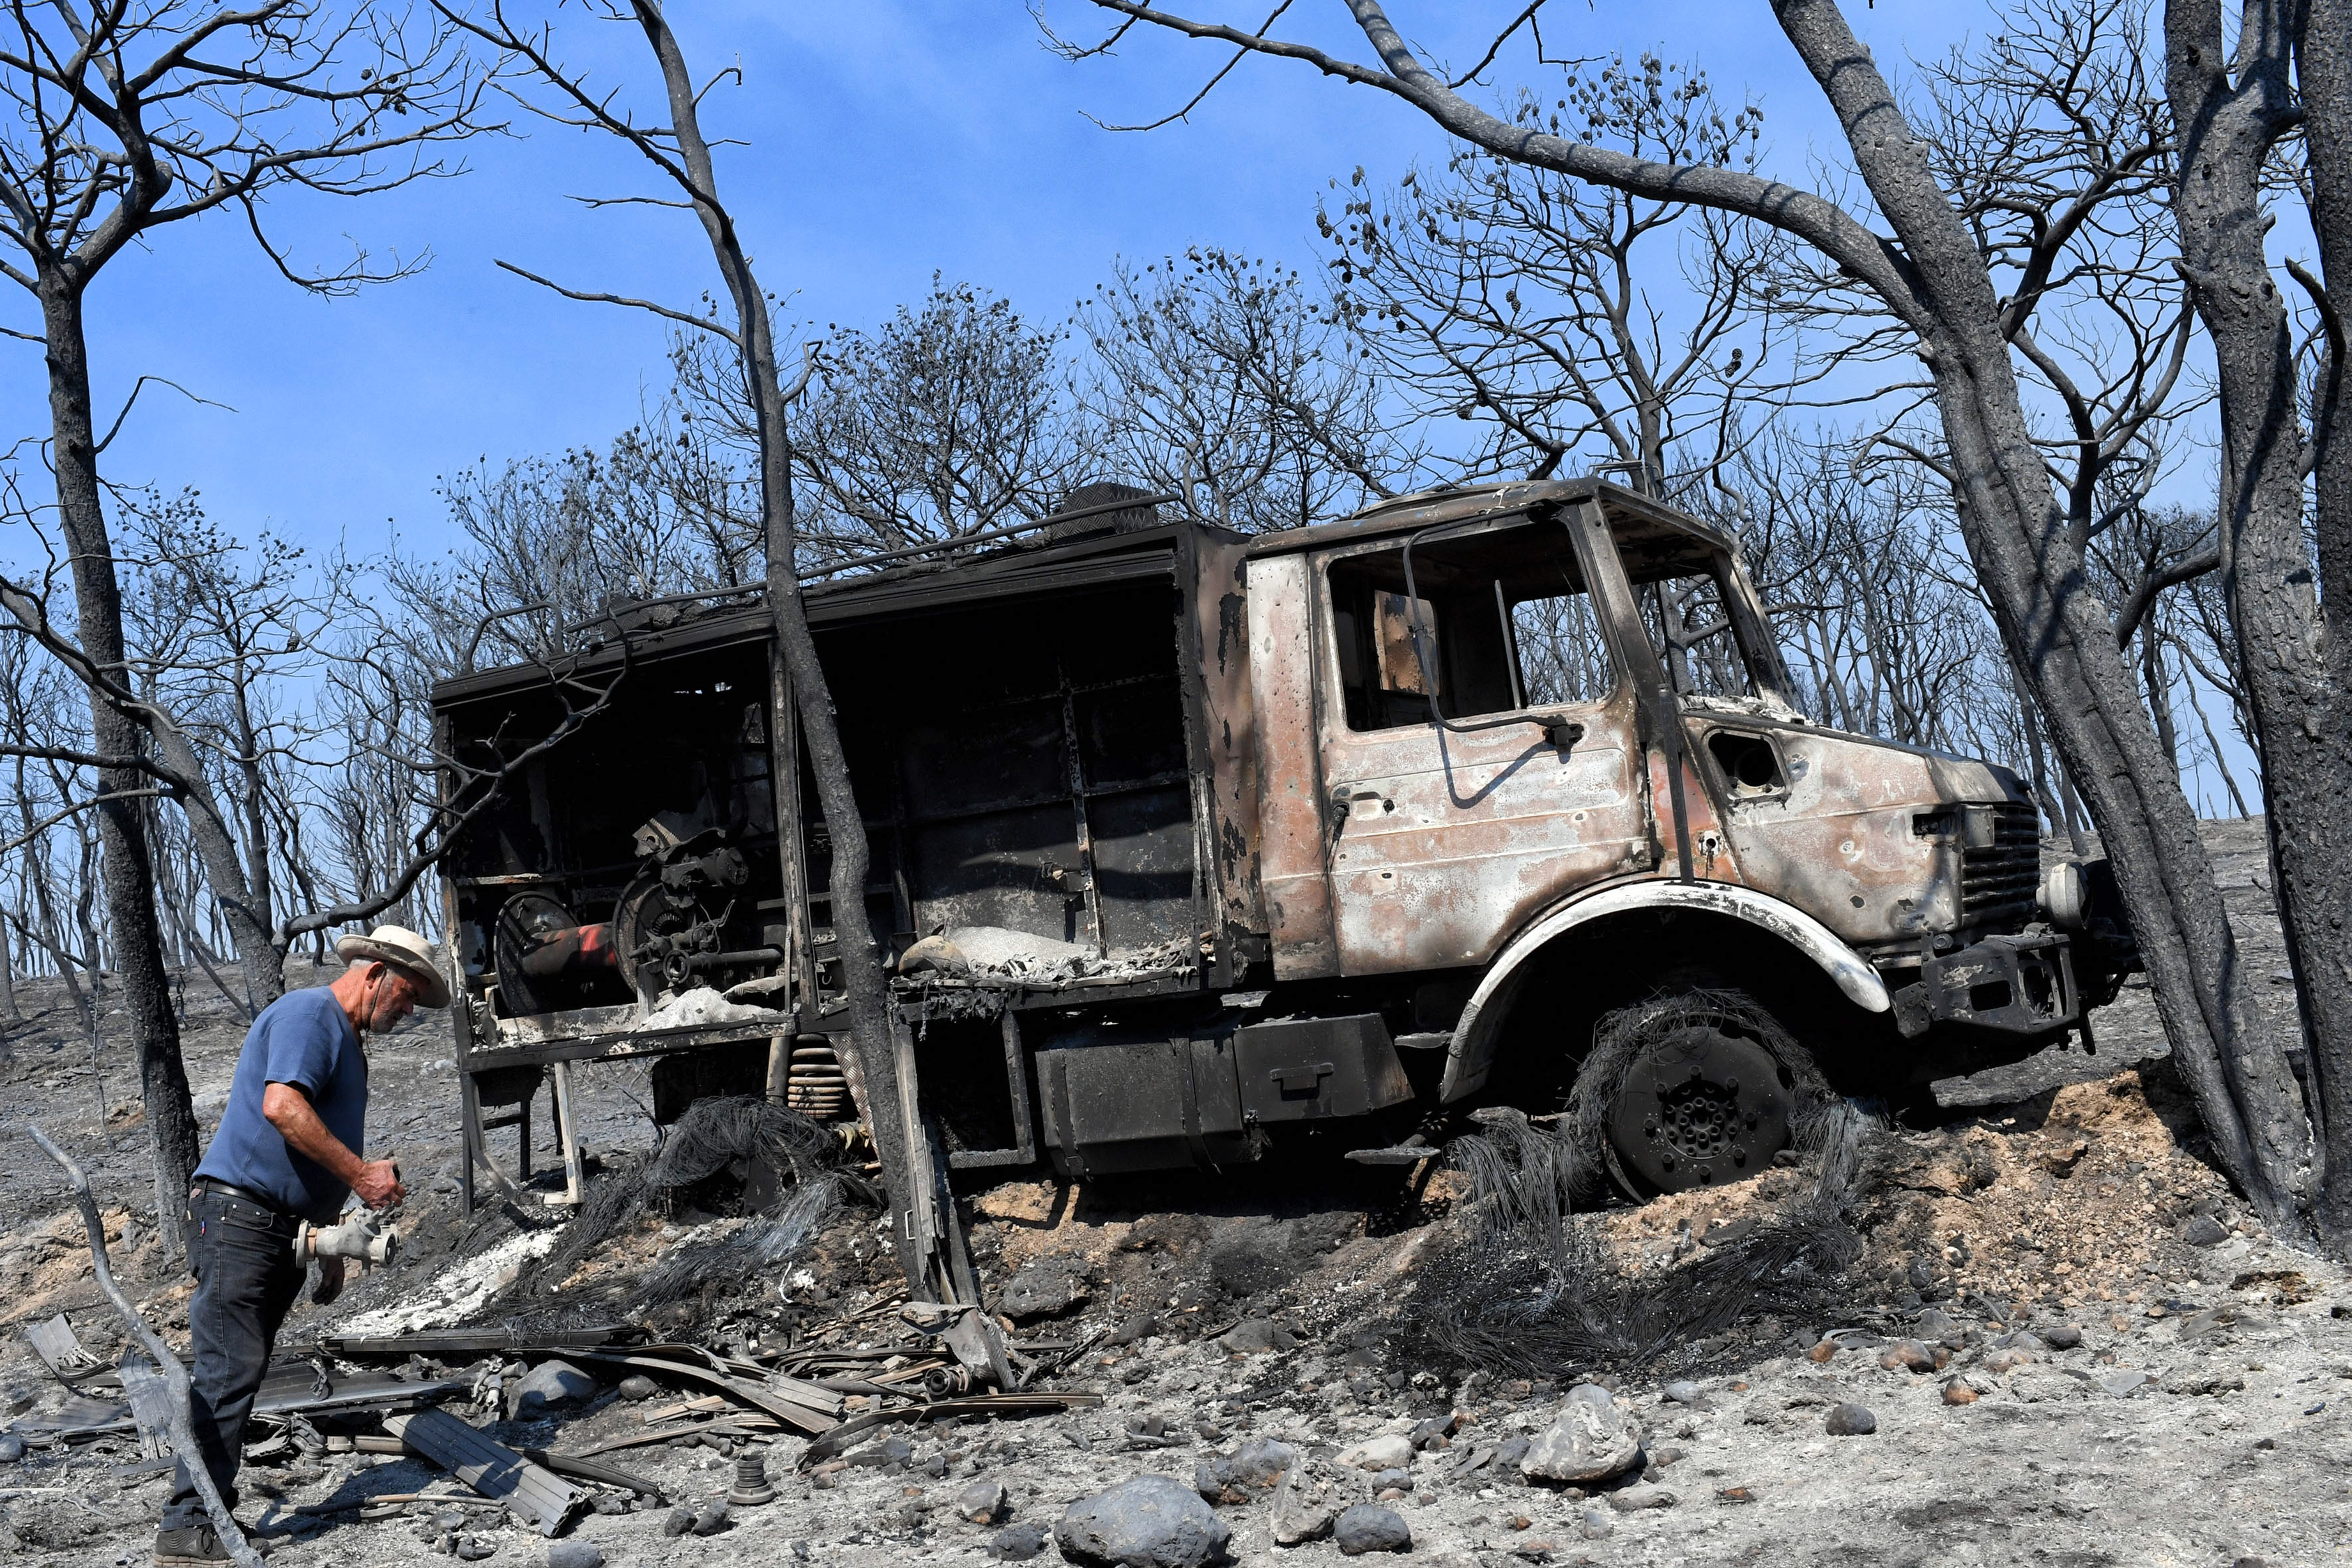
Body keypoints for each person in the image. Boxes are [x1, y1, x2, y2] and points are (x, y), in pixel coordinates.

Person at [154, 925, 450, 1567]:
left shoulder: (344, 1037)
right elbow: (283, 1107)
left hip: (271, 1227)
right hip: (239, 1220)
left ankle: (207, 1516)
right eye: (407, 994)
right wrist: (363, 1175)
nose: (408, 1010)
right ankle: (187, 1527)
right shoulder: (311, 1014)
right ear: (375, 973)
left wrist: (330, 1245)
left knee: (237, 1373)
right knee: (227, 1373)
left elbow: (306, 1150)